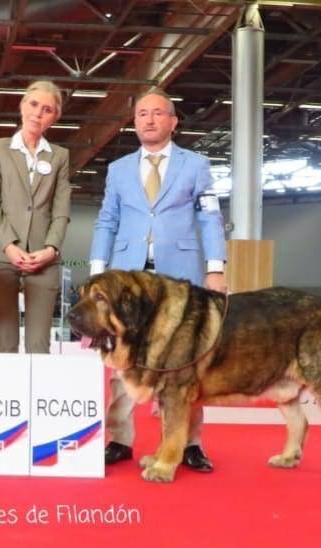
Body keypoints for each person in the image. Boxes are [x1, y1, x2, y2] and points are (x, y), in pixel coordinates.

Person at [88, 88, 227, 471]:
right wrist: (98, 270)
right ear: (134, 123)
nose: (148, 119)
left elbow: (209, 217)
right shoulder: (118, 170)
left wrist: (215, 267)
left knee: (187, 362)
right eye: (141, 114)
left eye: (157, 113)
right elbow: (107, 221)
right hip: (126, 279)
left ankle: (189, 444)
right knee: (121, 359)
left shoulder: (196, 165)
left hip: (180, 278)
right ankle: (119, 439)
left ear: (173, 121)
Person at [0, 80, 71, 354]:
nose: (38, 113)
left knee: (38, 346)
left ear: (54, 117)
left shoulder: (60, 156)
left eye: (47, 109)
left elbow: (61, 209)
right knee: (5, 343)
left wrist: (51, 249)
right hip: (1, 255)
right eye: (33, 104)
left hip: (44, 258)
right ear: (21, 105)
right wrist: (9, 244)